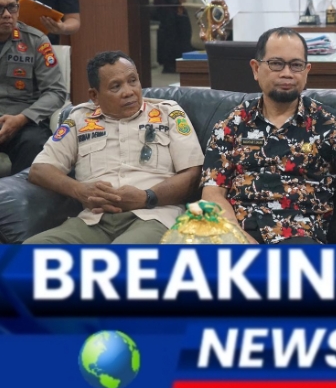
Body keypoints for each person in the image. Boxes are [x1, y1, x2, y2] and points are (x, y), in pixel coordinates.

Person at [201, 27, 336, 245]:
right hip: (237, 235)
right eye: (276, 64)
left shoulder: (332, 125)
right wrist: (239, 239)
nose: (287, 73)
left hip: (299, 236)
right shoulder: (232, 124)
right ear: (256, 69)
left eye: (296, 65)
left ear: (307, 71)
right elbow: (213, 193)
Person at [24, 50, 204, 244]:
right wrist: (79, 191)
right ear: (94, 95)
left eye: (133, 81)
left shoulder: (168, 113)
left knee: (122, 254)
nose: (129, 92)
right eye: (116, 86)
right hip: (93, 221)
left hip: (153, 216)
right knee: (30, 250)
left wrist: (146, 197)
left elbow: (193, 173)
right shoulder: (79, 119)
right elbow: (40, 170)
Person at [0, 0, 66, 174]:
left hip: (23, 121)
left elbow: (56, 91)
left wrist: (22, 119)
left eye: (12, 7)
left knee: (35, 144)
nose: (7, 14)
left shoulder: (36, 41)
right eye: (0, 9)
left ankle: (21, 193)